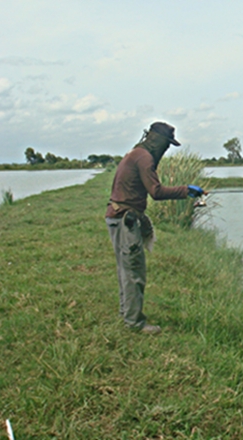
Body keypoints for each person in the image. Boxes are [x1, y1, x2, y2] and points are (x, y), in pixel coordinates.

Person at [105, 122, 205, 335]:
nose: (167, 149)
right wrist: (186, 190)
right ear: (157, 141)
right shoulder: (144, 158)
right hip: (125, 220)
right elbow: (156, 192)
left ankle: (127, 315)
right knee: (134, 271)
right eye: (167, 144)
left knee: (125, 269)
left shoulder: (136, 153)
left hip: (117, 215)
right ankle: (134, 323)